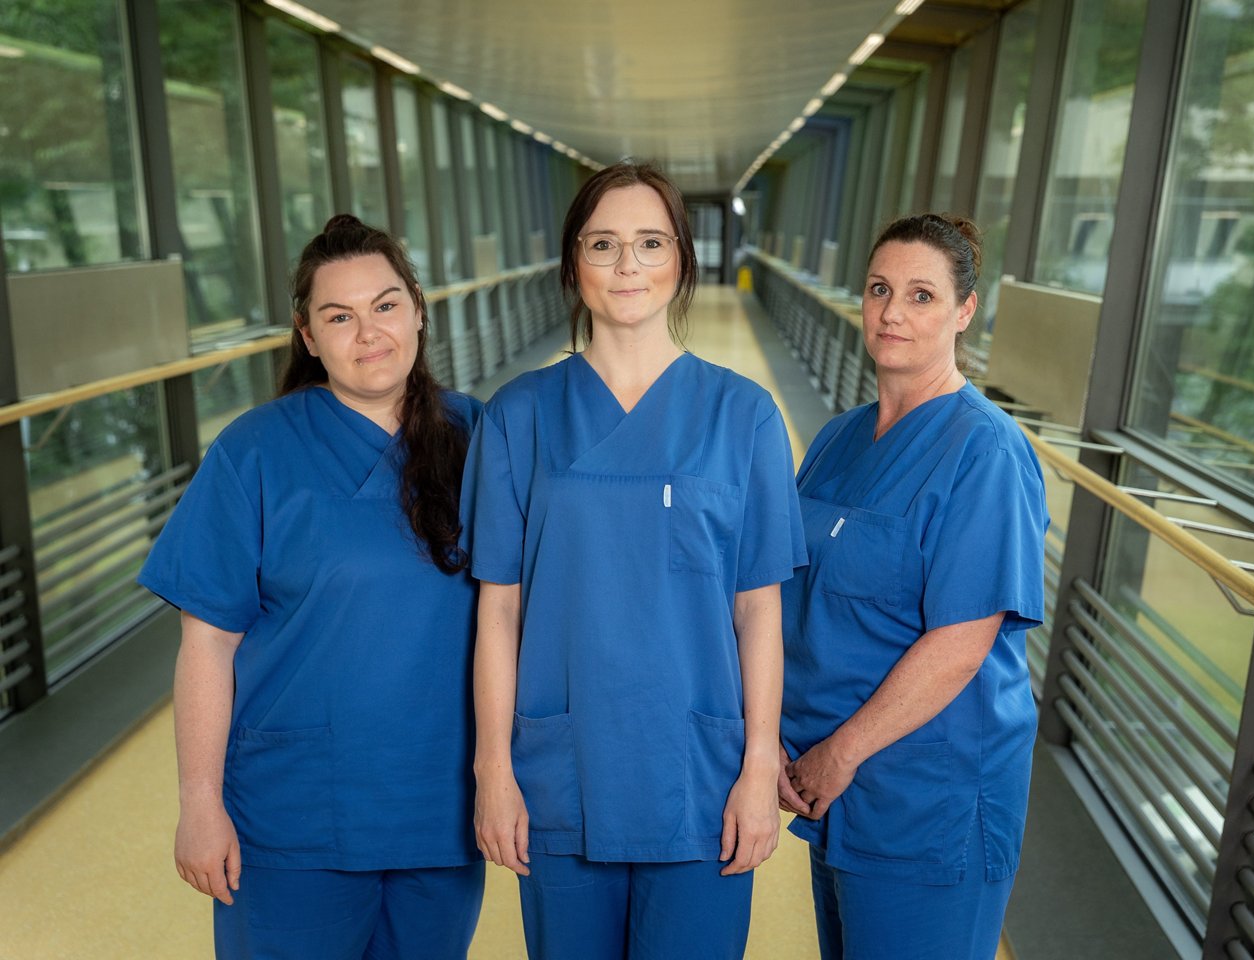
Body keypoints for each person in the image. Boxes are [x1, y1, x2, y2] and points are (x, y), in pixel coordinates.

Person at [461, 160, 806, 960]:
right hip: (562, 769)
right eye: (604, 244)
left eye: (650, 243)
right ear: (572, 264)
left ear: (681, 259)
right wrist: (494, 769)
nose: (627, 266)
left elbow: (759, 610)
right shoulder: (520, 415)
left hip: (699, 772)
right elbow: (498, 609)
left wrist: (759, 768)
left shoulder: (744, 416)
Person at [138, 214, 485, 959]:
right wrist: (198, 803)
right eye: (340, 316)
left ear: (418, 309)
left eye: (385, 305)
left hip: (441, 808)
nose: (368, 333)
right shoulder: (254, 452)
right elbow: (206, 644)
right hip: (292, 815)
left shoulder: (479, 439)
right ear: (308, 335)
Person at [778, 213, 1048, 960]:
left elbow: (962, 642)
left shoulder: (985, 451)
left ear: (965, 311)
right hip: (832, 789)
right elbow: (790, 597)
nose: (893, 312)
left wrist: (840, 752)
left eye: (922, 295)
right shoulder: (838, 439)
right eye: (879, 289)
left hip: (928, 796)